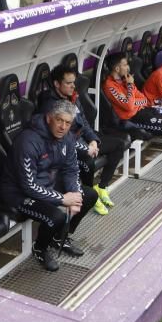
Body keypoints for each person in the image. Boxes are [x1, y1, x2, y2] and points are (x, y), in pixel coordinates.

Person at [1, 100, 98, 272]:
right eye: (59, 120)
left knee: (88, 195)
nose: (63, 126)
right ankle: (40, 249)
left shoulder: (67, 138)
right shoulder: (28, 141)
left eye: (68, 123)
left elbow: (71, 169)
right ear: (48, 118)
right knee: (56, 216)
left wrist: (73, 194)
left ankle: (59, 237)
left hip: (48, 182)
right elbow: (28, 185)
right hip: (18, 192)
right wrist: (62, 199)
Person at [37, 65, 124, 214]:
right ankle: (92, 195)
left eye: (74, 82)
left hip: (83, 139)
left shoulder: (73, 97)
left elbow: (83, 122)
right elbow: (61, 137)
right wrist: (87, 148)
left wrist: (93, 140)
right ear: (57, 84)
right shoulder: (50, 104)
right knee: (88, 161)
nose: (73, 86)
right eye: (68, 83)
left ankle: (101, 187)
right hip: (64, 147)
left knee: (118, 145)